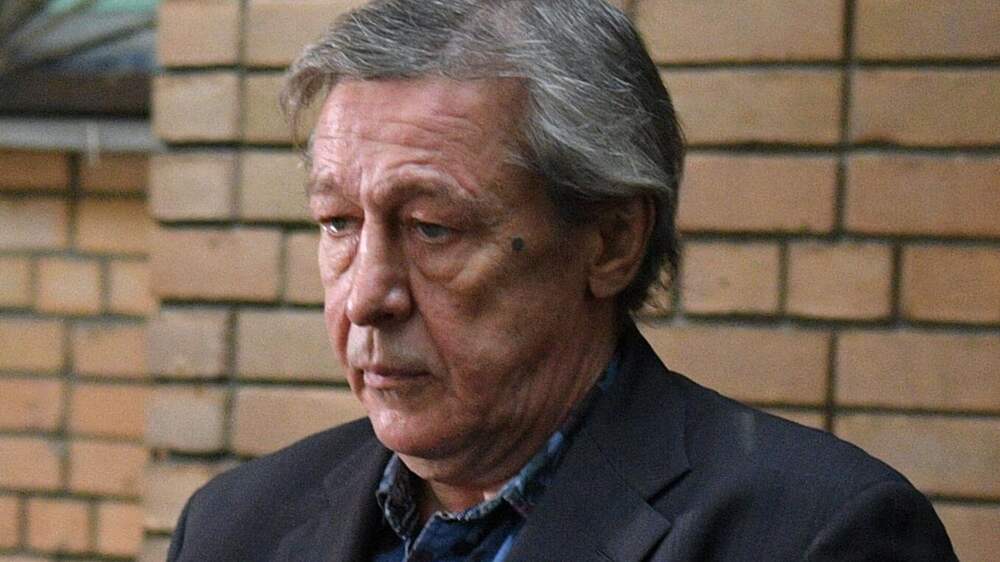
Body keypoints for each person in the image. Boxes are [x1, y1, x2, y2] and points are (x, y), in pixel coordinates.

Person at [167, 1, 957, 560]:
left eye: (432, 228)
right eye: (339, 223)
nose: (368, 296)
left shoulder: (817, 535)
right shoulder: (234, 528)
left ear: (611, 241)